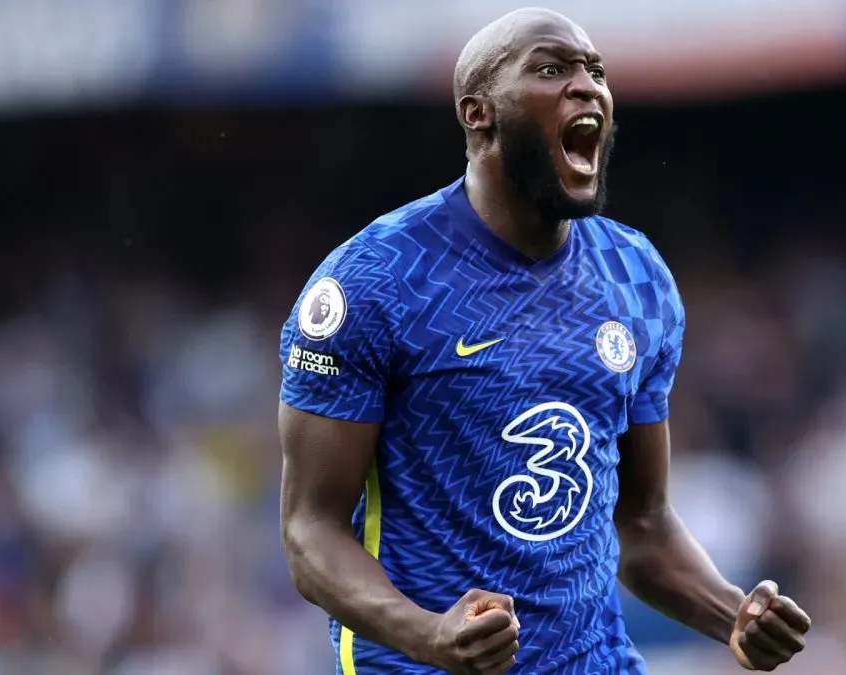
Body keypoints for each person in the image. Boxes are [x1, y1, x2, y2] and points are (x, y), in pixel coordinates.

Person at [278, 7, 810, 674]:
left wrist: (733, 615)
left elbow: (643, 526)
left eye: (596, 72)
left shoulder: (635, 276)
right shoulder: (375, 281)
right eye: (552, 69)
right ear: (479, 112)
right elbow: (309, 530)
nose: (587, 86)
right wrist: (427, 634)